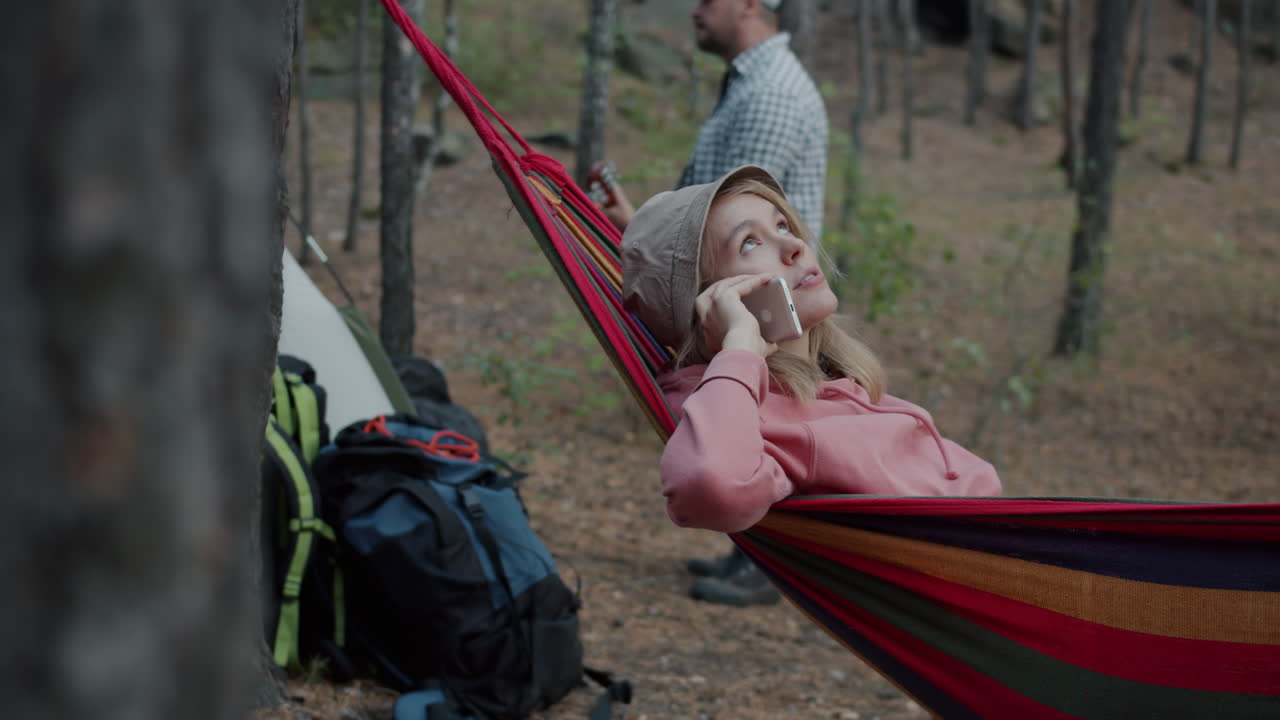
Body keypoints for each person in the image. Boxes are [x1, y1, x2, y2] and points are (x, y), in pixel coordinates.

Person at [620, 166, 1002, 605]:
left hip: (1029, 554)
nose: (795, 244)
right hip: (990, 581)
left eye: (782, 225)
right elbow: (708, 488)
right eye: (751, 242)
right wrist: (740, 350)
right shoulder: (743, 412)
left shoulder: (824, 383)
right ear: (714, 302)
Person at [601, 0, 828, 241]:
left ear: (749, 5)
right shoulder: (752, 83)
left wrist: (639, 233)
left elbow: (734, 230)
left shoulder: (771, 93)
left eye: (708, 2)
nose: (696, 12)